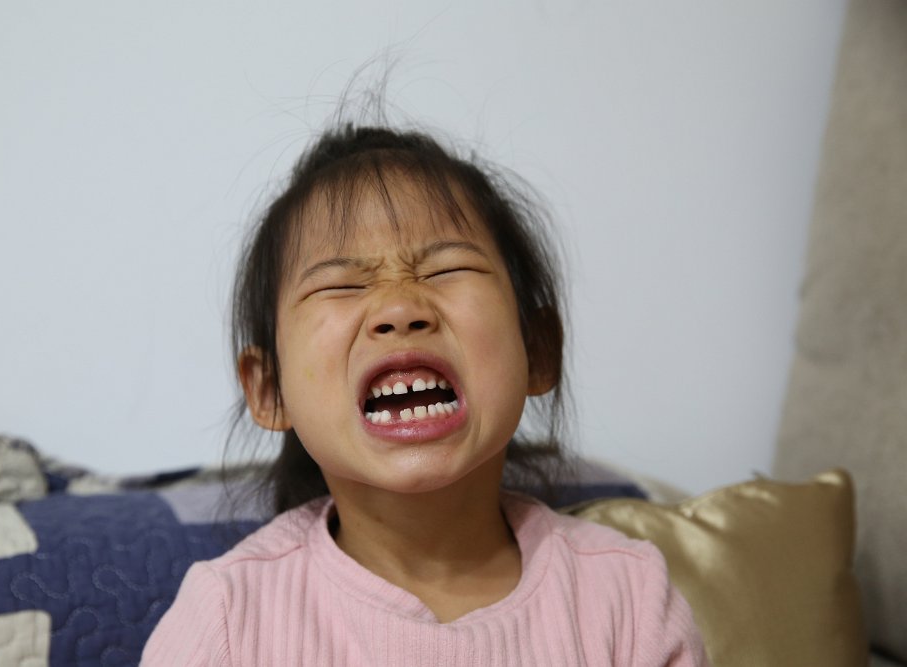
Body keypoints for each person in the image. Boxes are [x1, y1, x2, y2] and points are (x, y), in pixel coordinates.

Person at [141, 122, 708, 665]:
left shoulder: (629, 597)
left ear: (537, 350)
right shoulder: (228, 618)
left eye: (445, 269)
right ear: (271, 390)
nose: (399, 308)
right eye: (342, 284)